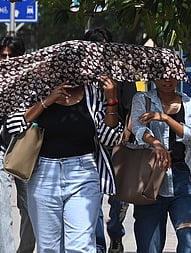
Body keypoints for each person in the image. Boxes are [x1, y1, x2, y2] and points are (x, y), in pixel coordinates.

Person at [7, 73, 122, 251]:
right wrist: (47, 101)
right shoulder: (37, 90)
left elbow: (110, 138)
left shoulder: (94, 93)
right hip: (44, 174)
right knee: (49, 247)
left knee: (81, 246)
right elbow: (14, 126)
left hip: (83, 173)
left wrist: (112, 100)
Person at [130, 78, 191, 252]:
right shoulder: (142, 99)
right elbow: (138, 129)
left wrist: (166, 118)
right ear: (154, 77)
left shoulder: (189, 103)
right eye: (162, 75)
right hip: (150, 178)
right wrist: (156, 144)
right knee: (149, 246)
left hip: (183, 177)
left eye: (171, 75)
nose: (167, 80)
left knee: (188, 241)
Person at [83, 27, 136, 253]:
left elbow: (133, 106)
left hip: (117, 145)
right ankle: (97, 246)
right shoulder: (84, 79)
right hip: (92, 148)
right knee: (92, 201)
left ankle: (115, 232)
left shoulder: (122, 75)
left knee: (118, 199)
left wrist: (127, 132)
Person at [0, 35, 36, 253]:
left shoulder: (34, 83)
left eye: (11, 55)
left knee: (29, 208)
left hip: (26, 153)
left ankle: (25, 249)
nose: (6, 60)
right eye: (3, 55)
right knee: (0, 209)